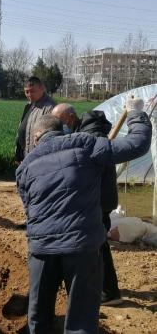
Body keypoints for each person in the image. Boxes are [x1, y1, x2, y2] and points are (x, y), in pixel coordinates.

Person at [16, 99, 151, 334]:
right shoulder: (87, 145)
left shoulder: (25, 166)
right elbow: (137, 144)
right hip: (81, 246)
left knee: (38, 318)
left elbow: (30, 208)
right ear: (62, 129)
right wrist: (136, 113)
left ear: (37, 136)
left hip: (41, 250)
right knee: (81, 321)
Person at [51, 103, 122, 306]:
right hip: (99, 196)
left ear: (70, 118)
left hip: (98, 197)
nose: (58, 126)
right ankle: (104, 286)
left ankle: (110, 291)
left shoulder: (91, 136)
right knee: (97, 242)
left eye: (60, 122)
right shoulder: (87, 132)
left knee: (98, 243)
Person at [15, 76, 56, 163]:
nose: (29, 95)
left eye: (32, 91)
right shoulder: (29, 105)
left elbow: (49, 137)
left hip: (38, 159)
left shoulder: (50, 108)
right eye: (26, 92)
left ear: (42, 89)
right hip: (26, 156)